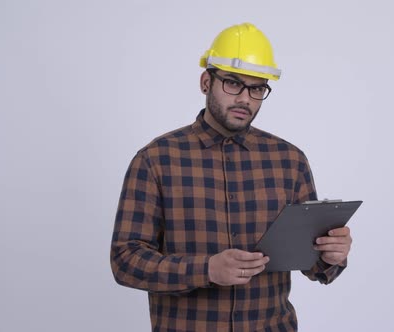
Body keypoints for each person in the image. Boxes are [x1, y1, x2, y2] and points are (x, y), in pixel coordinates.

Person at [110, 22, 352, 332]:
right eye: (233, 83)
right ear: (205, 82)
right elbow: (125, 260)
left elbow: (313, 261)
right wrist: (206, 269)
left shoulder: (289, 161)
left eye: (257, 88)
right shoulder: (156, 161)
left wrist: (332, 253)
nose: (245, 99)